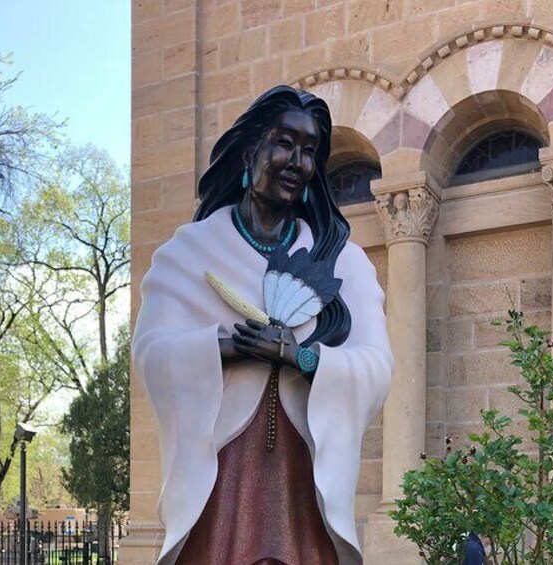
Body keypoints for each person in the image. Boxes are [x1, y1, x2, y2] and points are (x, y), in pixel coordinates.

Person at [134, 85, 393, 564]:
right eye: (284, 142)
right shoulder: (188, 254)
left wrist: (300, 358)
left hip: (302, 469)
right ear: (251, 149)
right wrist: (231, 345)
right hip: (223, 471)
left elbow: (377, 366)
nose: (296, 160)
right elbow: (152, 350)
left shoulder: (344, 264)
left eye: (310, 150)